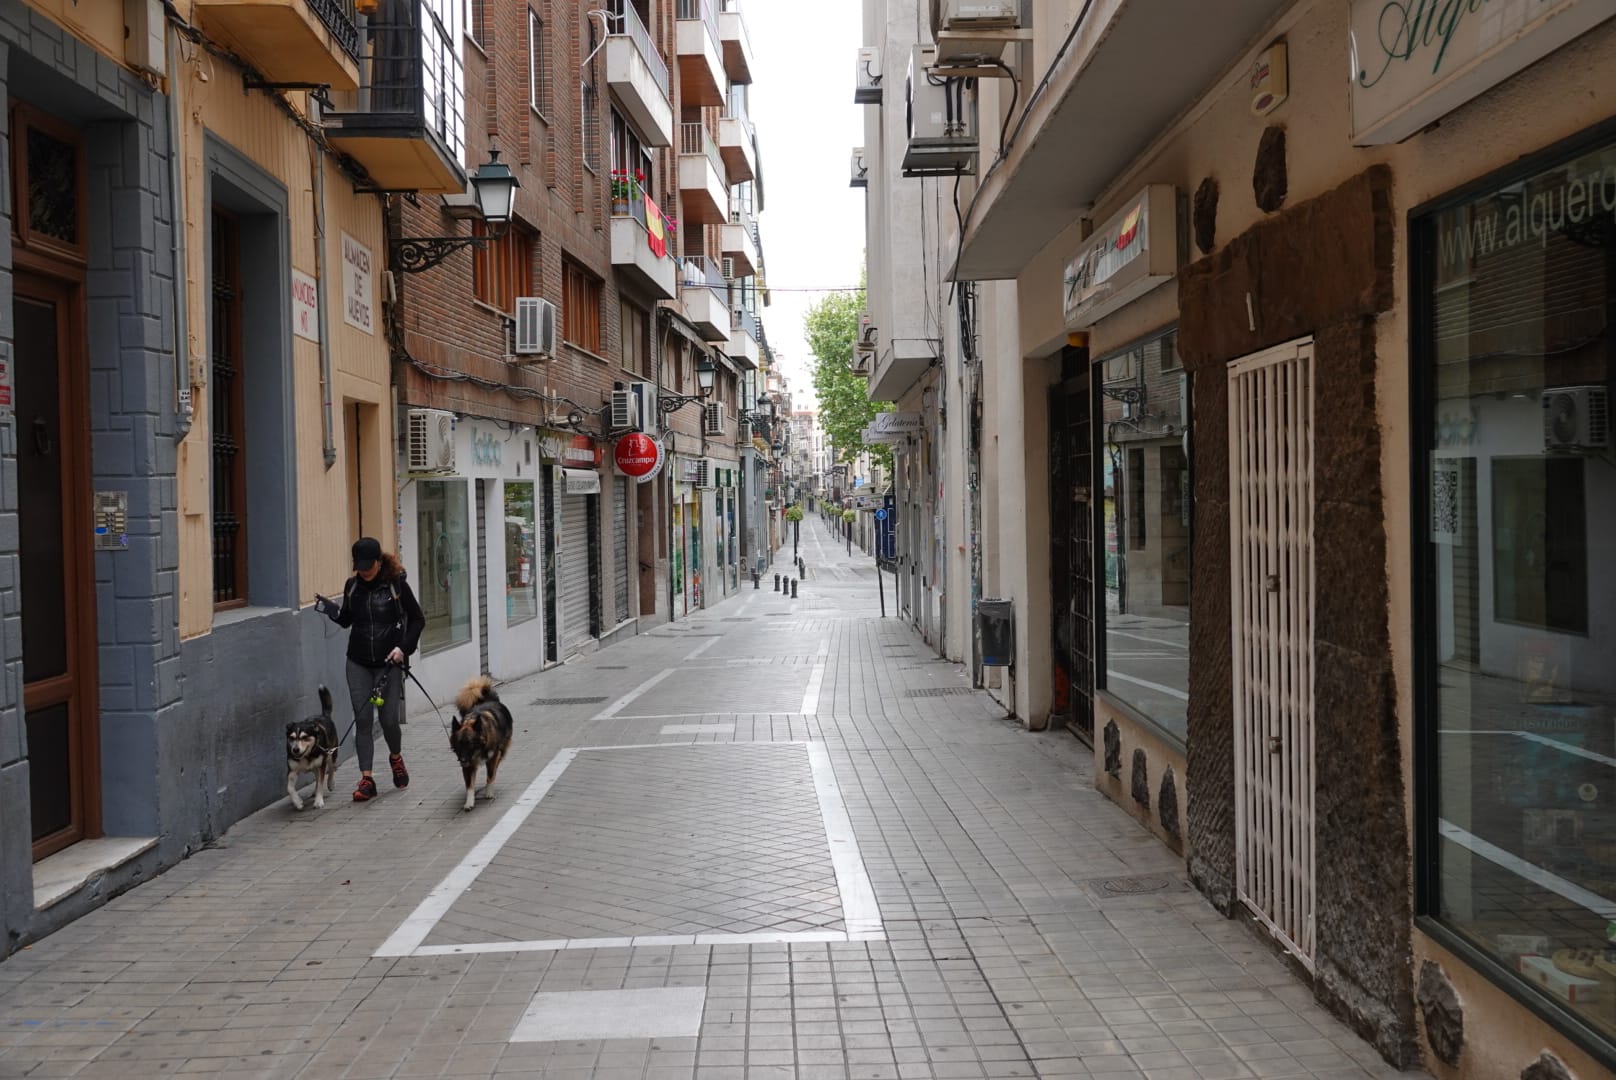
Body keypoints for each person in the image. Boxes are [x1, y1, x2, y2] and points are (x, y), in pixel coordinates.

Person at [315, 538, 426, 802]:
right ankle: (367, 779)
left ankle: (396, 758)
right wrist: (331, 610)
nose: (364, 571)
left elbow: (418, 620)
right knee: (362, 720)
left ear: (379, 561)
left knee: (388, 720)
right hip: (358, 661)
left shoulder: (396, 584)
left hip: (389, 662)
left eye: (369, 565)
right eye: (360, 566)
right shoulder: (352, 586)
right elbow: (347, 620)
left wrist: (403, 648)